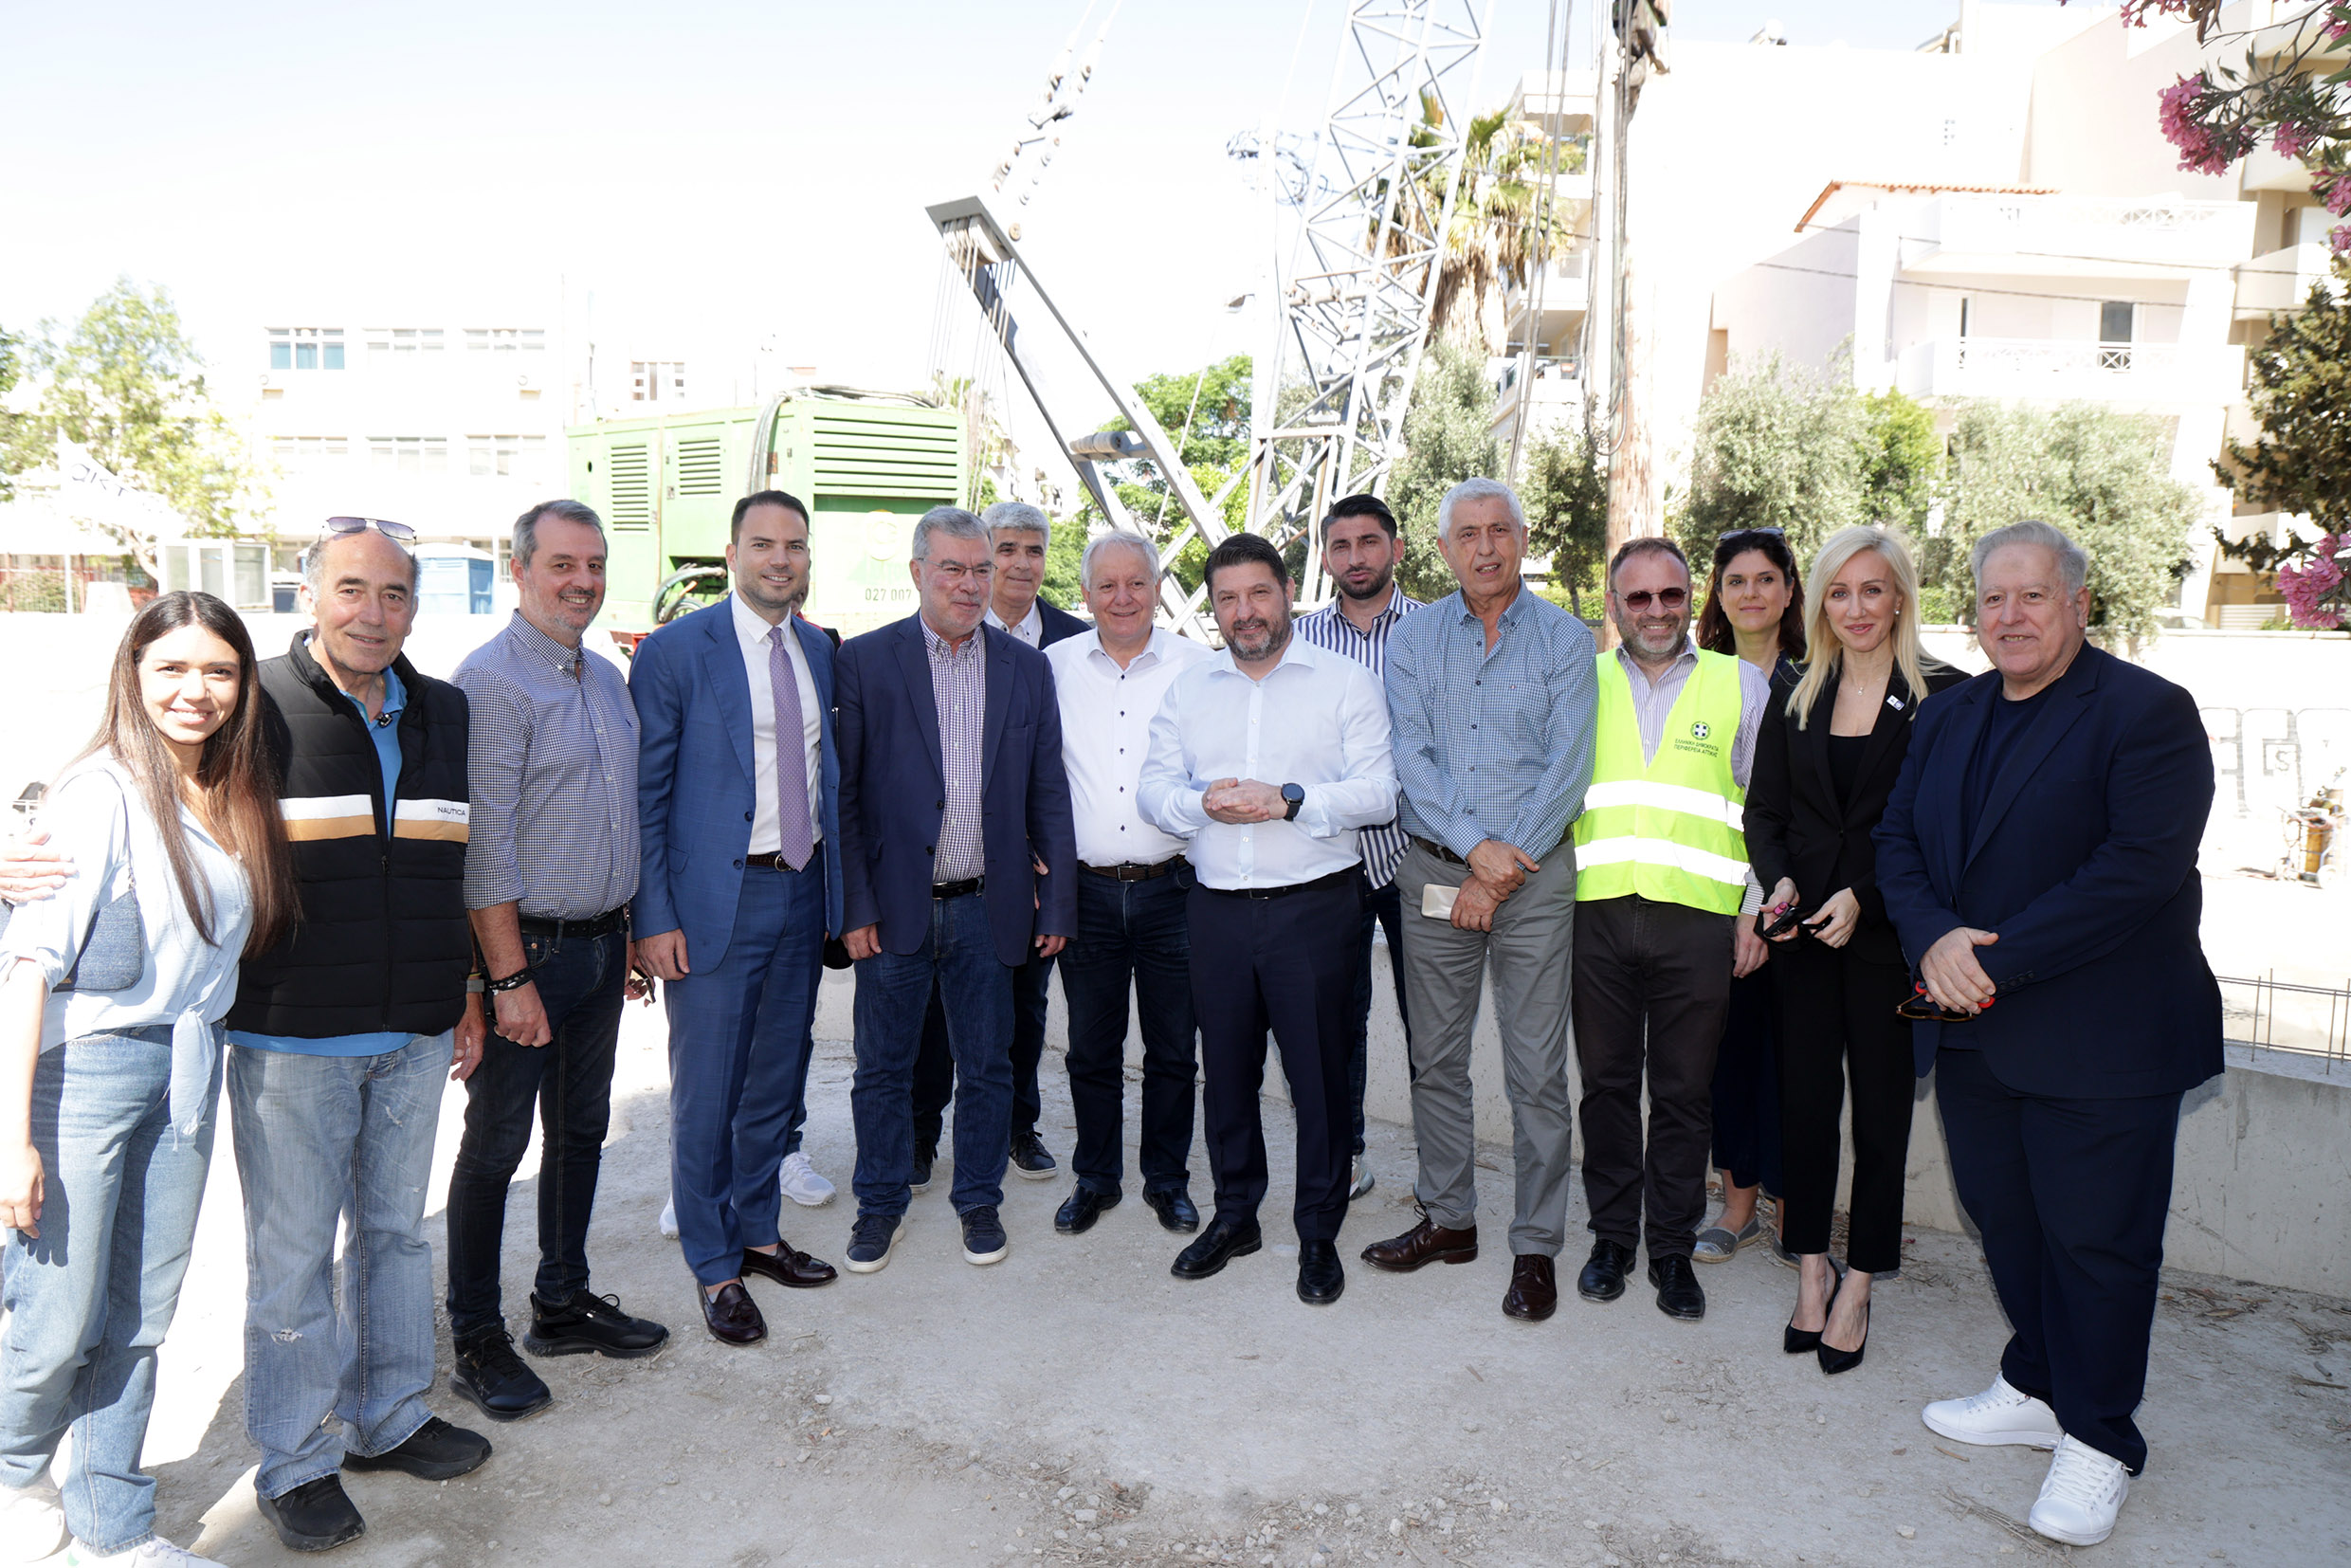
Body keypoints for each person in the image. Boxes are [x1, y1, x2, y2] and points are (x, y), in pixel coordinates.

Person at [1876, 520, 2220, 1547]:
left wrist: (1987, 957)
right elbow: (1896, 840)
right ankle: (2035, 1381)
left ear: (2078, 603)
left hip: (2102, 1037)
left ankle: (2100, 1435)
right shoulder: (1949, 713)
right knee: (2007, 1220)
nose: (2010, 616)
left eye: (2032, 596)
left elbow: (2136, 870)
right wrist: (1933, 936)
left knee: (2097, 1243)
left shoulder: (2147, 713)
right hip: (1973, 1031)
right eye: (1993, 598)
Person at [0, 593, 296, 1568]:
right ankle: (11, 1470)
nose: (194, 690)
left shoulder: (232, 794)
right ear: (133, 674)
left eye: (218, 670)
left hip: (188, 1066)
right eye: (171, 667)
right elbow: (28, 968)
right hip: (85, 1072)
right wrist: (13, 1140)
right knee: (57, 1315)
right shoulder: (99, 793)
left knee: (140, 1313)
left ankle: (113, 1524)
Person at [232, 520, 489, 1550]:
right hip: (291, 1036)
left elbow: (449, 863)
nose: (373, 613)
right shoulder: (253, 701)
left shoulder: (444, 710)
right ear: (309, 594)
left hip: (414, 1029)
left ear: (414, 607)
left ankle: (388, 1415)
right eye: (351, 588)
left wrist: (465, 988)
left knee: (394, 1234)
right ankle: (295, 1459)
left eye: (393, 594)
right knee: (293, 1258)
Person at [443, 500, 667, 1408]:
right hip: (527, 952)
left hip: (601, 947)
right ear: (521, 569)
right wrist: (506, 978)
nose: (582, 581)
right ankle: (476, 1336)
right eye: (563, 565)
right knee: (497, 1145)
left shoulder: (605, 677)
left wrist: (630, 930)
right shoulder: (490, 683)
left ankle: (563, 1302)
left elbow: (621, 818)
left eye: (594, 565)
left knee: (579, 1132)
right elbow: (483, 847)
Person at [1138, 533, 1396, 1306]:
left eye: (1257, 593)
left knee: (1319, 1080)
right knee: (1227, 1077)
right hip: (1215, 909)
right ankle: (1236, 1217)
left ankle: (1318, 1234)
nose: (1244, 612)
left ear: (1287, 592)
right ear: (1214, 608)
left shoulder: (1345, 683)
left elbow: (1379, 793)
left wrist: (1289, 800)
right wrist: (1201, 803)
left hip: (1314, 909)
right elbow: (1153, 790)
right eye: (1227, 599)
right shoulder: (1189, 689)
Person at [1363, 479, 1595, 1323]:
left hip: (1534, 879)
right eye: (1468, 534)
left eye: (1500, 530)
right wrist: (1473, 852)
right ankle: (1450, 1220)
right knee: (1436, 1060)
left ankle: (1535, 1245)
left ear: (1523, 540)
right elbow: (1411, 759)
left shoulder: (1567, 639)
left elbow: (1569, 768)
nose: (1486, 547)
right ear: (1443, 549)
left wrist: (1497, 869)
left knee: (1536, 1072)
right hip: (1434, 873)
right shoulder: (1413, 638)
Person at [1745, 525, 1965, 1375]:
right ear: (1820, 603)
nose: (1856, 608)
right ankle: (1811, 1272)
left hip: (1888, 946)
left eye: (1873, 589)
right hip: (1803, 939)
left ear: (1900, 596)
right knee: (1804, 1113)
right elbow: (1766, 812)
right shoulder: (1796, 687)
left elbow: (1942, 833)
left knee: (1880, 1122)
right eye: (1839, 592)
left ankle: (1861, 1282)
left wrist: (1864, 897)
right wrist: (1779, 882)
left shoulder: (1945, 697)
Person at [834, 506, 1075, 1273]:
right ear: (917, 572)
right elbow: (843, 798)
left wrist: (1056, 902)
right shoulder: (865, 662)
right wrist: (855, 906)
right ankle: (879, 1205)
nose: (970, 585)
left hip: (987, 908)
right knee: (882, 1070)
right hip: (894, 909)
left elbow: (1048, 793)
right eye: (953, 569)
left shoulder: (1026, 669)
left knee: (989, 1067)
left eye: (980, 570)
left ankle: (979, 1200)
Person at [632, 491, 846, 1345]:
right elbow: (646, 797)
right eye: (763, 544)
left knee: (774, 1084)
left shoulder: (819, 649)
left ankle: (758, 1233)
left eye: (794, 545)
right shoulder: (676, 651)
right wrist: (652, 918)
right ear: (731, 555)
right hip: (713, 905)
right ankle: (714, 1264)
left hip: (801, 891)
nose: (780, 559)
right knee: (707, 1093)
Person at [1570, 536, 1770, 1322]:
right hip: (1597, 917)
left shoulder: (1740, 682)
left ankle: (1672, 1251)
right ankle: (1612, 1239)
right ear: (1614, 606)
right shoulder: (1580, 682)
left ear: (1693, 600)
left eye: (1671, 595)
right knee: (1607, 1089)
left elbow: (1768, 810)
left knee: (1685, 1094)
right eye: (1639, 597)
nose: (1656, 611)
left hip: (1700, 923)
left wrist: (1754, 910)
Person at [908, 500, 1088, 1189]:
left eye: (1032, 549)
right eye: (1004, 549)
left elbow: (1060, 769)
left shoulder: (1076, 642)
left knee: (1024, 1008)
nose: (1018, 563)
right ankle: (922, 1131)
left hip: (1028, 874)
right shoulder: (946, 632)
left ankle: (1018, 1125)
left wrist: (1047, 859)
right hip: (950, 869)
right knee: (933, 1014)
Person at [1044, 530, 1210, 1237]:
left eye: (1136, 583)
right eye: (1107, 585)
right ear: (1085, 594)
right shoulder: (1051, 667)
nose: (1122, 598)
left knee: (1174, 1049)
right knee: (1091, 1049)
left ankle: (1167, 1180)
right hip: (1084, 893)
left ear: (1157, 589)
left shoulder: (1198, 667)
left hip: (1175, 890)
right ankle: (1096, 1179)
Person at [1292, 493, 1421, 1203]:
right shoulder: (1299, 639)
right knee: (1335, 1020)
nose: (1356, 558)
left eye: (1369, 542)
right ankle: (1346, 1156)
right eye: (1340, 546)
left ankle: (1441, 1169)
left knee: (1429, 1023)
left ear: (1395, 549)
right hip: (1330, 858)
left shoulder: (1435, 629)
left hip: (1417, 857)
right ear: (1326, 557)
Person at [1688, 527, 1805, 1268]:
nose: (1751, 593)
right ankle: (1738, 1208)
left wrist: (1763, 909)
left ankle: (1795, 1212)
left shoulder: (1818, 678)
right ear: (1719, 594)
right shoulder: (1699, 674)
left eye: (1766, 579)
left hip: (1791, 902)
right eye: (1736, 580)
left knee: (1792, 1063)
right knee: (1726, 1060)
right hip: (1708, 896)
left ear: (1790, 590)